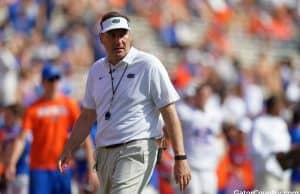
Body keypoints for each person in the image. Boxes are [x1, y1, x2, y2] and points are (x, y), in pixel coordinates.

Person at [58, 11, 191, 194]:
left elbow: (169, 112)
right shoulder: (97, 70)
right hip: (104, 153)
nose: (118, 40)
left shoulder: (148, 65)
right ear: (102, 38)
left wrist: (180, 157)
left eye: (123, 34)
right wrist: (69, 147)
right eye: (112, 35)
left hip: (136, 148)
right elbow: (87, 116)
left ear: (130, 35)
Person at [5, 64, 98, 194]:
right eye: (50, 79)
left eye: (56, 79)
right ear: (43, 82)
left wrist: (92, 169)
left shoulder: (70, 104)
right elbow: (21, 139)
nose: (54, 83)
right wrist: (12, 163)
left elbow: (85, 137)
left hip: (63, 166)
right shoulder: (33, 109)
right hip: (39, 168)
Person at [176, 82, 223, 194]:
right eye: (201, 94)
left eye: (206, 95)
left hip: (209, 164)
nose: (204, 98)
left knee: (209, 191)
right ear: (196, 95)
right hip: (191, 163)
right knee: (193, 191)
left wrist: (220, 152)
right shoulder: (185, 112)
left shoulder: (215, 113)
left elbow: (219, 136)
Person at [249, 95, 291, 191]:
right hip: (267, 171)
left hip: (283, 172)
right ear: (271, 106)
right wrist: (273, 152)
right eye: (278, 106)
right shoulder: (259, 123)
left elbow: (285, 145)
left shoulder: (281, 123)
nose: (281, 109)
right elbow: (253, 149)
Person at [1, 104, 31, 194]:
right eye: (4, 115)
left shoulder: (21, 132)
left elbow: (9, 154)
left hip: (20, 174)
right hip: (7, 175)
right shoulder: (4, 131)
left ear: (17, 117)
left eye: (8, 115)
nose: (4, 118)